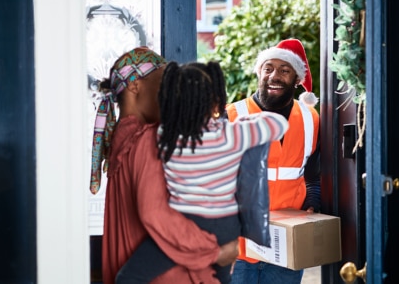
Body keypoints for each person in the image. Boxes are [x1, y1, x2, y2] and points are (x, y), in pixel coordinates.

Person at [115, 61, 289, 284]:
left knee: (129, 277)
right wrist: (246, 121)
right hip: (225, 225)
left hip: (184, 221)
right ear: (215, 101)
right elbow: (278, 124)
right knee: (218, 279)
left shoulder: (163, 137)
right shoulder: (232, 134)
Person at [92, 47, 239, 284]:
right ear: (134, 86)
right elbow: (157, 213)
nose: (171, 95)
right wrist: (216, 251)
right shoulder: (149, 138)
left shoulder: (123, 137)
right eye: (164, 85)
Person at [226, 39, 321, 284]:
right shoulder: (232, 117)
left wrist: (313, 198)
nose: (274, 76)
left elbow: (314, 172)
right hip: (237, 248)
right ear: (260, 72)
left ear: (297, 79)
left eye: (284, 70)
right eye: (268, 68)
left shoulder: (311, 119)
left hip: (285, 246)